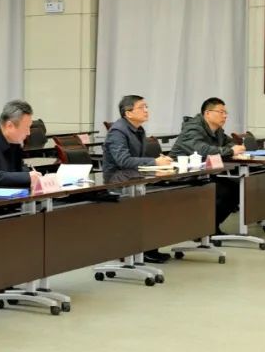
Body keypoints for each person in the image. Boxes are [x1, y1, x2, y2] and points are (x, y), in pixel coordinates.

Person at [102, 95, 174, 264]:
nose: (146, 110)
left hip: (134, 179)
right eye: (142, 107)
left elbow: (136, 159)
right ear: (128, 113)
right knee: (152, 203)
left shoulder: (139, 130)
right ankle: (140, 249)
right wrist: (154, 162)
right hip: (118, 182)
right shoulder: (118, 132)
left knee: (164, 198)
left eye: (146, 107)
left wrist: (159, 160)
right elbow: (123, 161)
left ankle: (148, 248)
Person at [170, 97, 246, 234]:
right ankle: (205, 229)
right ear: (207, 113)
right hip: (182, 174)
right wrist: (230, 151)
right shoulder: (192, 128)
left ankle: (210, 227)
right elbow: (201, 150)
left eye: (226, 113)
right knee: (225, 190)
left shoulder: (217, 130)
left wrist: (233, 148)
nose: (225, 116)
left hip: (203, 173)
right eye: (221, 112)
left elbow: (229, 143)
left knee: (236, 187)